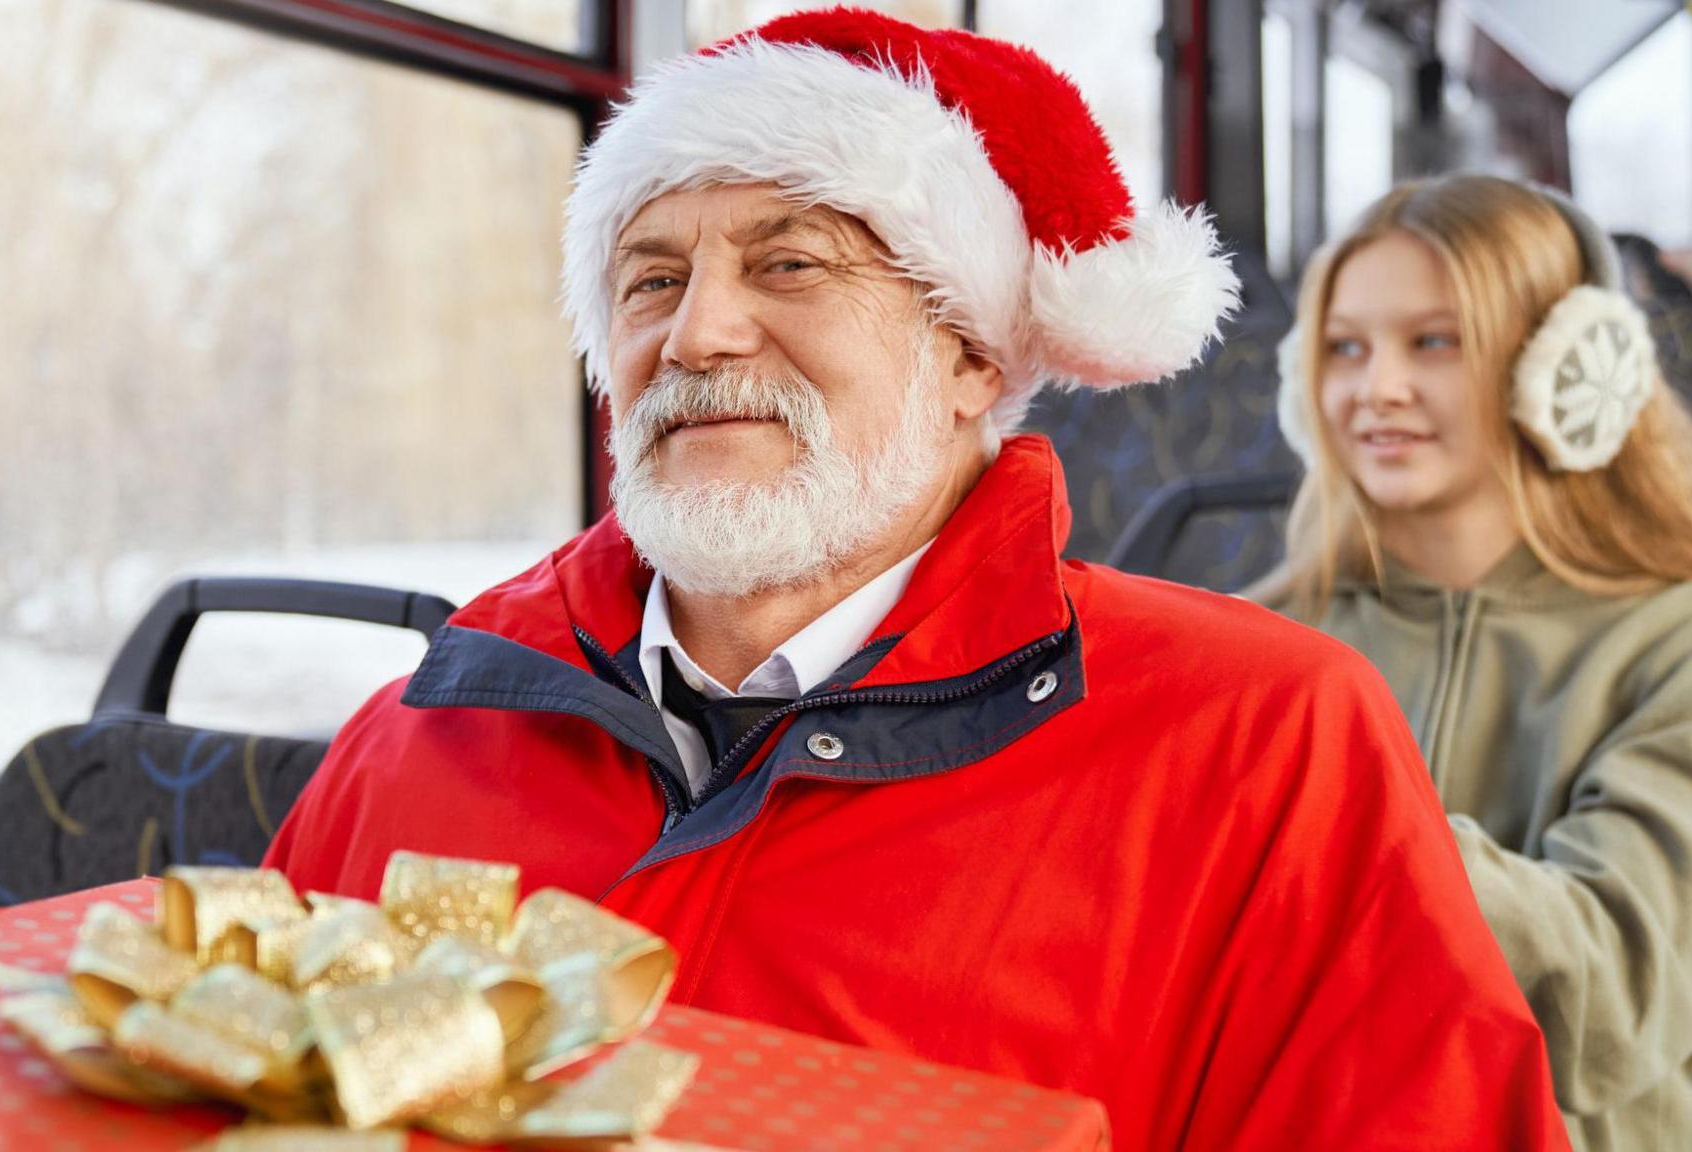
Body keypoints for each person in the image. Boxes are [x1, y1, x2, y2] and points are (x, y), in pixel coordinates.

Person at [269, 12, 1566, 1148]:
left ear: (970, 359)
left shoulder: (1264, 746)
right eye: (650, 280)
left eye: (789, 264)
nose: (697, 333)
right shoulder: (412, 742)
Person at [1261, 173, 1692, 1149]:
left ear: (1568, 366)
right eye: (1344, 347)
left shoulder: (1669, 645)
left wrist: (1344, 833)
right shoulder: (1265, 637)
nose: (1376, 388)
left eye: (1435, 341)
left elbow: (1616, 988)